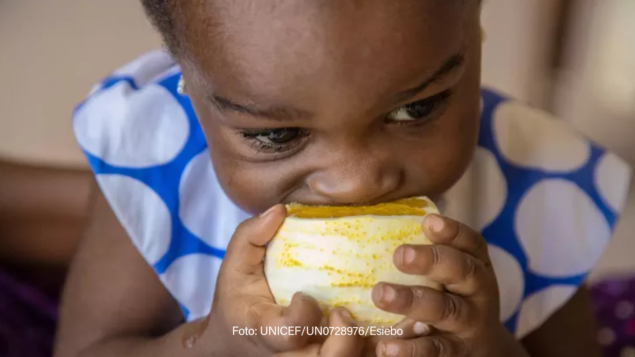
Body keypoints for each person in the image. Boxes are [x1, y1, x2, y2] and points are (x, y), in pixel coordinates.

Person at [55, 0, 632, 356]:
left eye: (416, 109)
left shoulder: (534, 183)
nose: (356, 183)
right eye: (276, 137)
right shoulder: (159, 161)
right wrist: (215, 346)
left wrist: (486, 348)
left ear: (474, 39)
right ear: (191, 93)